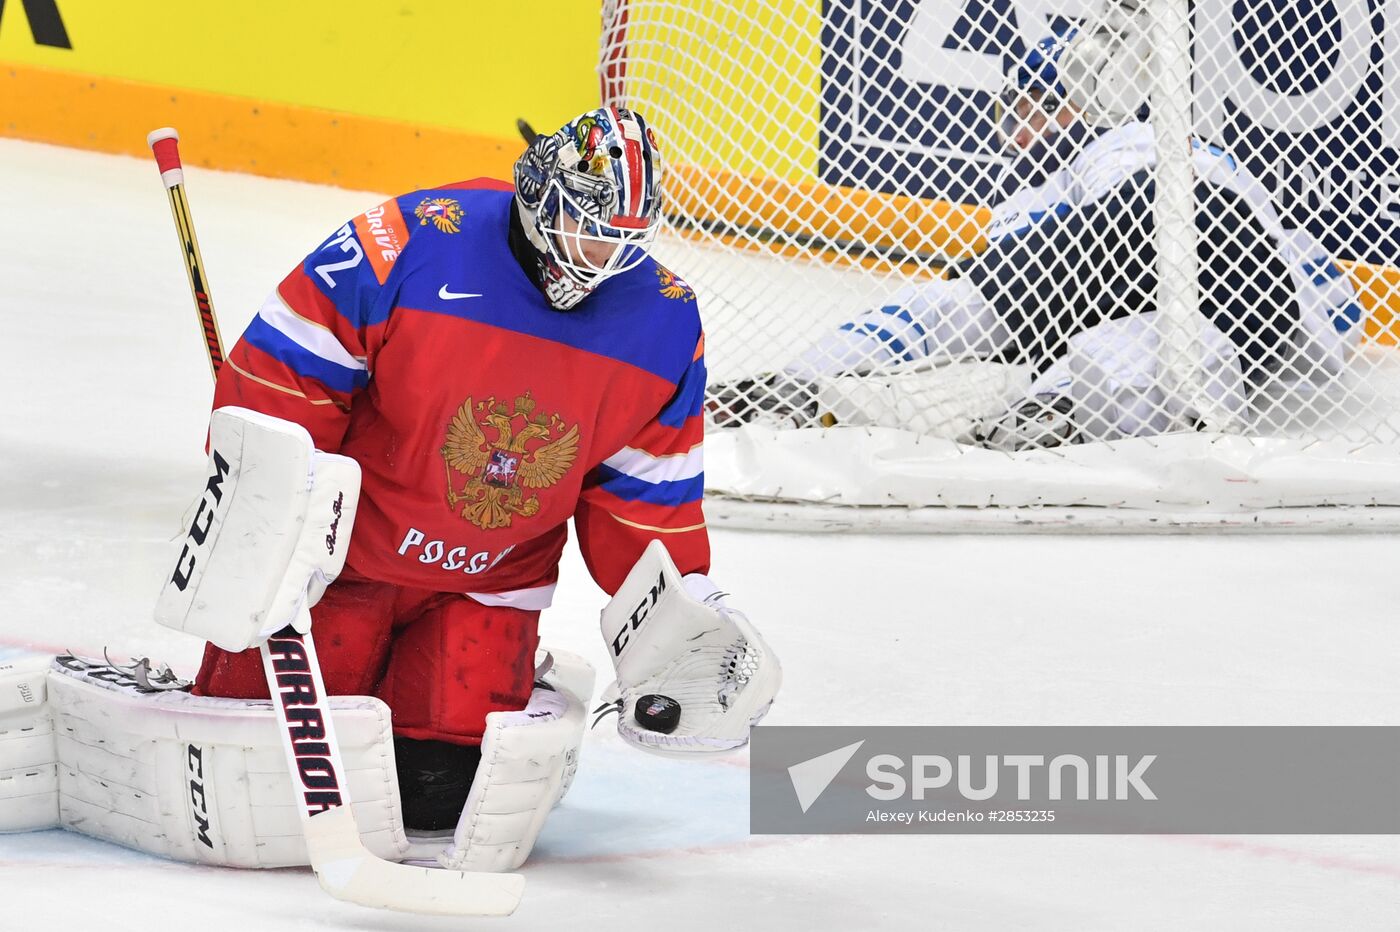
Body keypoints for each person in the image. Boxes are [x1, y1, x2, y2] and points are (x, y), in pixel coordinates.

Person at [0, 107, 780, 874]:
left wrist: (682, 612)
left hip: (490, 589)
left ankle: (491, 687)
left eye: (624, 241)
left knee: (438, 801)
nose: (600, 258)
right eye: (587, 228)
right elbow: (285, 373)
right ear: (544, 193)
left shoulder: (666, 320)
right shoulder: (410, 239)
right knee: (257, 772)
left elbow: (644, 493)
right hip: (341, 568)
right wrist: (273, 505)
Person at [711, 27, 1364, 449]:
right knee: (1144, 339)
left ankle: (797, 383)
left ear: (1086, 110)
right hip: (1247, 313)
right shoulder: (1067, 185)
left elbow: (1011, 287)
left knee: (956, 303)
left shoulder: (1119, 145)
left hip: (1197, 234)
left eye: (1041, 108)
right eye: (1015, 112)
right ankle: (1049, 411)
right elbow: (1333, 299)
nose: (1024, 129)